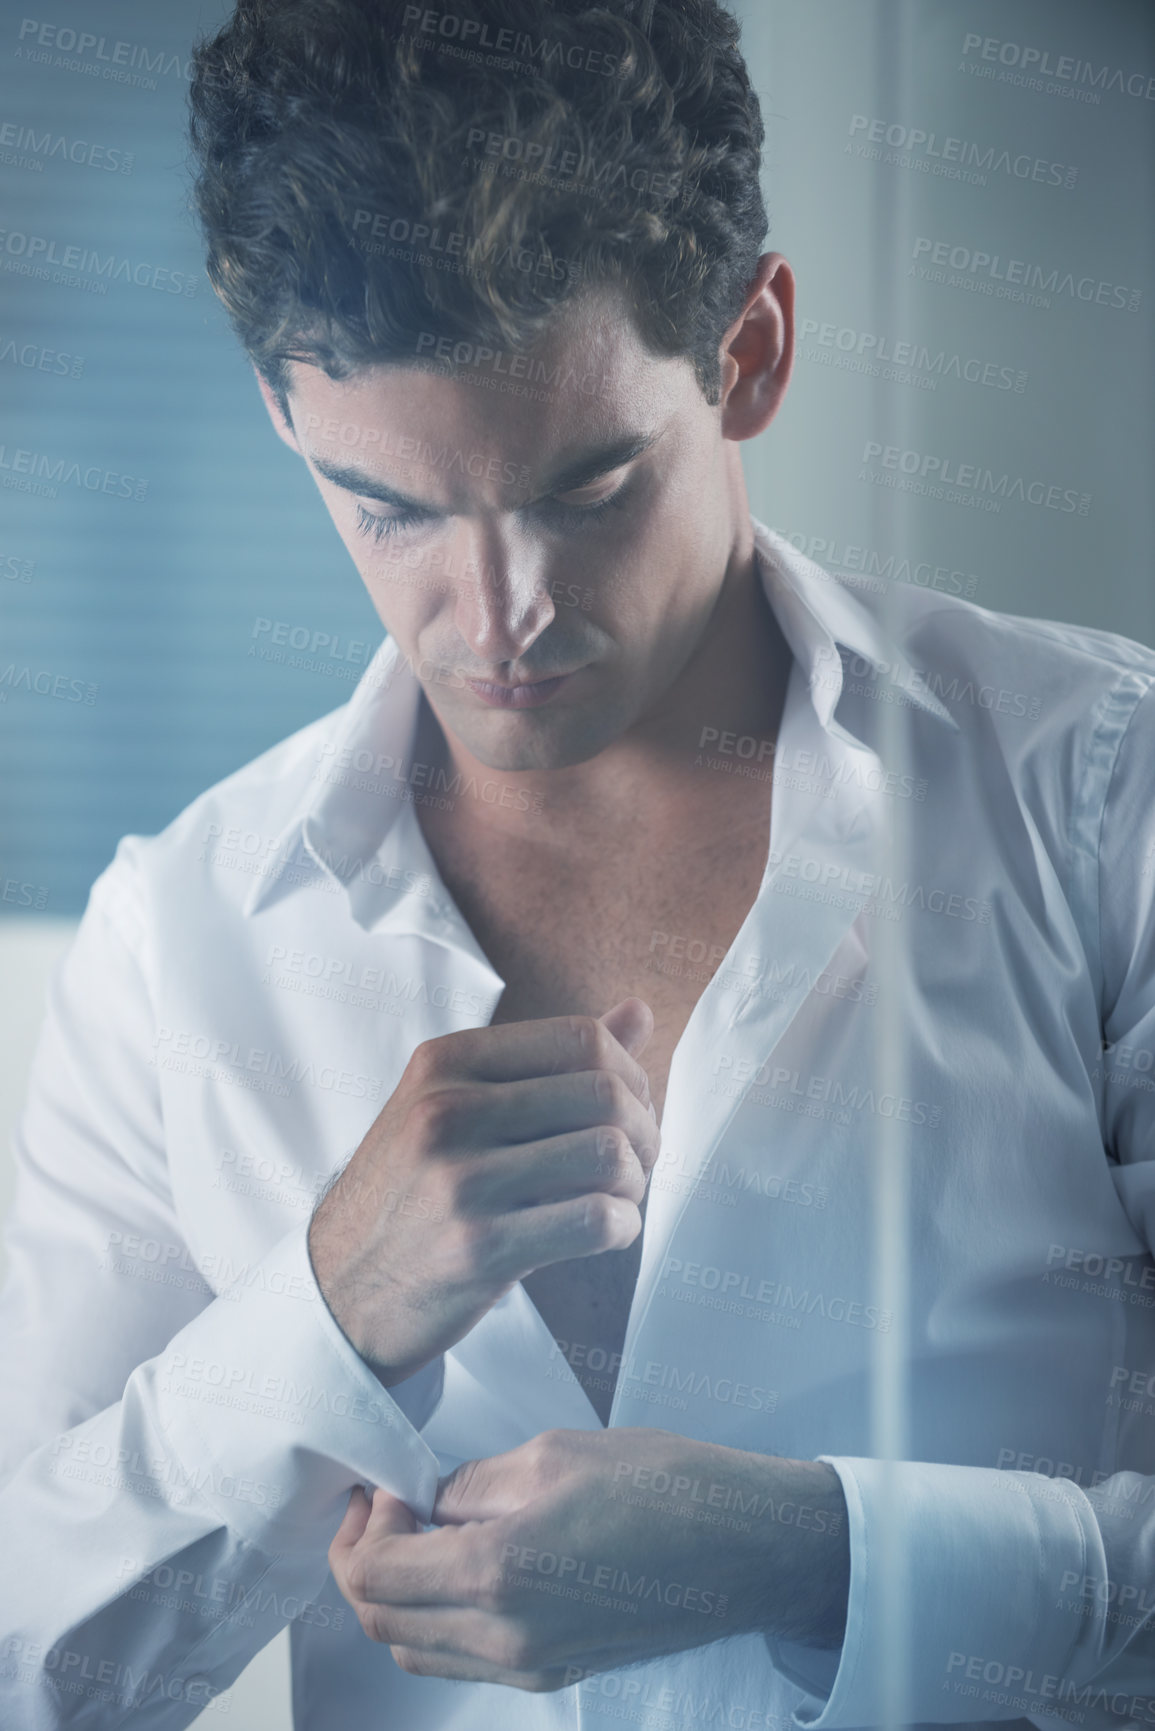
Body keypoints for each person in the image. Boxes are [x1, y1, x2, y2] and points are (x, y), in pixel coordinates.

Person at [3, 0, 1155, 1727]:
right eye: (388, 509)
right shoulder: (178, 947)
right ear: (278, 415)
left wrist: (816, 1556)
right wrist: (324, 1316)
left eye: (588, 485)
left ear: (752, 349)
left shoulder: (1101, 797)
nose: (495, 619)